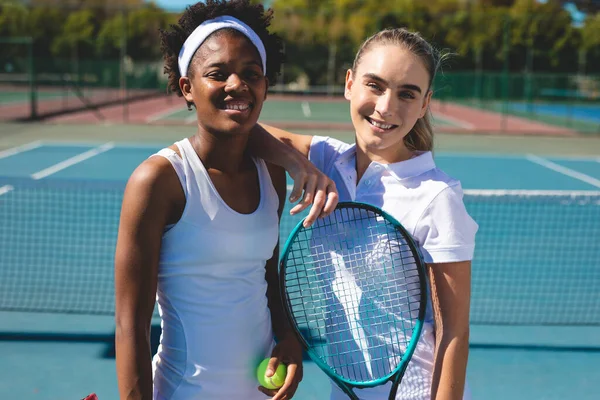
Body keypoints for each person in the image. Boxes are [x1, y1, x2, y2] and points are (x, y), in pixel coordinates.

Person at [114, 1, 337, 399]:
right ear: (187, 87)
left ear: (265, 86)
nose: (237, 85)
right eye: (217, 74)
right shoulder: (159, 180)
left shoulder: (270, 175)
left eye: (252, 74)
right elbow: (130, 322)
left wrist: (288, 337)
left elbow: (265, 274)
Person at [253, 28, 478, 400]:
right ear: (349, 84)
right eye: (375, 85)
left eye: (407, 94)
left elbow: (453, 331)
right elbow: (243, 130)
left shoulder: (437, 196)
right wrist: (300, 165)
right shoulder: (327, 160)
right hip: (345, 391)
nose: (387, 107)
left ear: (424, 105)